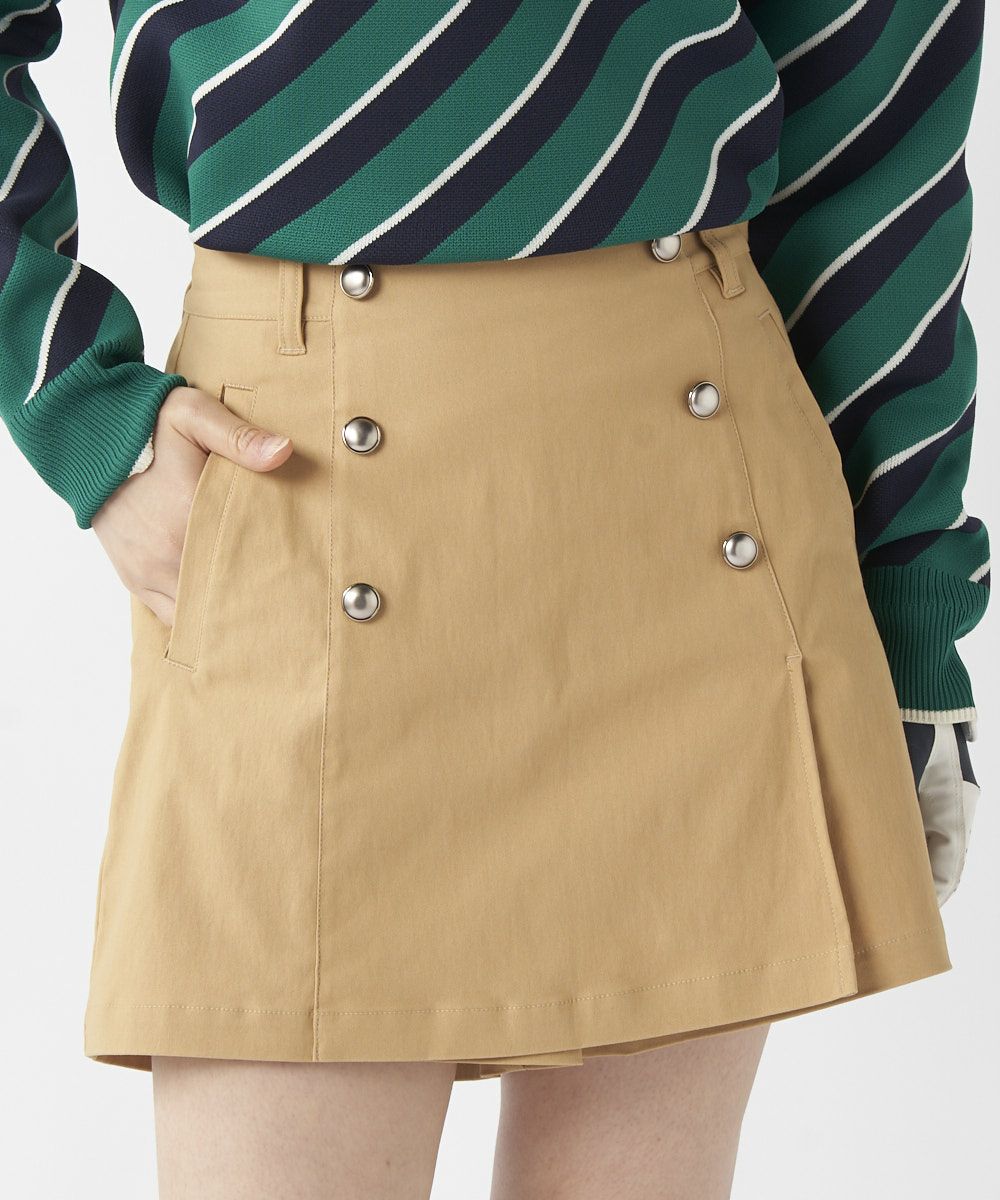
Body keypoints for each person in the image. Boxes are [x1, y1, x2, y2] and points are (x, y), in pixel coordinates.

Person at [0, 2, 988, 1197]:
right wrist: (76, 402)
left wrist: (912, 605)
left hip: (685, 475)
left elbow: (878, 104)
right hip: (298, 479)